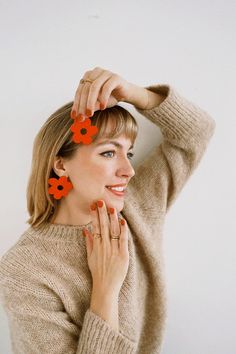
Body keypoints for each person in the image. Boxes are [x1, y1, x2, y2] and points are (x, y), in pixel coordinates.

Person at [0, 66, 216, 353]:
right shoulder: (25, 269)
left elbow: (197, 132)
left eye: (128, 153)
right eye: (108, 153)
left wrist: (136, 95)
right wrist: (105, 289)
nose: (128, 171)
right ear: (61, 165)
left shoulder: (137, 206)